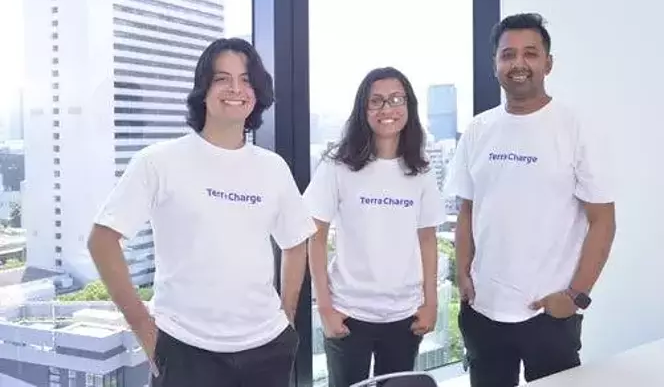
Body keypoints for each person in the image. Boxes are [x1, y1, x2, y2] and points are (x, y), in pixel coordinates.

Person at [88, 37, 316, 387]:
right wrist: (145, 329)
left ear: (256, 93)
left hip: (267, 348)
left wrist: (286, 315)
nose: (235, 89)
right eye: (222, 78)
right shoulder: (158, 161)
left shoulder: (273, 167)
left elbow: (295, 242)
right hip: (185, 348)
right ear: (203, 90)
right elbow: (102, 241)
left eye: (246, 80)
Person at [446, 13, 617, 387]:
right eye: (508, 55)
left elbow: (603, 219)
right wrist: (463, 276)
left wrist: (576, 296)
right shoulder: (478, 129)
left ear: (548, 63)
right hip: (483, 311)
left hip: (549, 314)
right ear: (495, 65)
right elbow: (467, 210)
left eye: (530, 53)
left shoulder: (575, 127)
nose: (518, 63)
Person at [305, 67, 446, 387]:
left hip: (404, 314)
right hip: (349, 312)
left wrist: (431, 303)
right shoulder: (338, 164)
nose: (387, 109)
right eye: (376, 101)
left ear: (408, 106)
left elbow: (427, 238)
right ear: (363, 109)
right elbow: (316, 235)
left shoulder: (421, 169)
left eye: (396, 99)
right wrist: (324, 307)